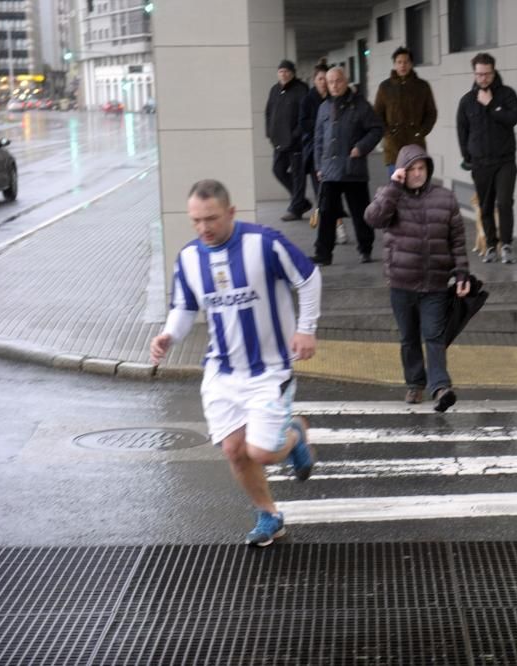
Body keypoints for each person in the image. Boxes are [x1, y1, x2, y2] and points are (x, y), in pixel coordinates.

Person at [149, 179, 321, 546]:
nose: (203, 228)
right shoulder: (190, 258)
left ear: (231, 212)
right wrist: (168, 335)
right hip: (222, 370)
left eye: (211, 218)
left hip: (270, 369)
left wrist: (306, 330)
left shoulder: (264, 244)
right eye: (196, 220)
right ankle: (270, 515)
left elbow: (309, 278)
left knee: (262, 452)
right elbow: (184, 307)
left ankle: (295, 434)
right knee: (233, 450)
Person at [365, 144, 470, 412]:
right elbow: (373, 218)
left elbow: (457, 239)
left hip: (435, 282)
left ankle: (440, 387)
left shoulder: (445, 198)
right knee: (409, 337)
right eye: (411, 169)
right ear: (402, 171)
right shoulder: (389, 195)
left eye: (421, 168)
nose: (417, 174)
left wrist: (461, 272)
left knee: (434, 335)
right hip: (401, 282)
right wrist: (393, 187)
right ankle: (415, 383)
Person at [456, 52, 517, 265]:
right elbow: (462, 131)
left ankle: (507, 245)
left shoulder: (507, 95)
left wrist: (492, 104)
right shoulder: (467, 101)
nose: (483, 78)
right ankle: (491, 246)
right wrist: (467, 157)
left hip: (505, 160)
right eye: (479, 74)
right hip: (480, 162)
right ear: (474, 73)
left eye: (487, 74)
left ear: (493, 72)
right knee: (485, 206)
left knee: (504, 202)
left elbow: (513, 118)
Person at [313, 66, 383, 265]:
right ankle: (323, 253)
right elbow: (318, 139)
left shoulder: (361, 105)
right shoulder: (323, 107)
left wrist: (361, 148)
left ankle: (365, 249)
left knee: (361, 213)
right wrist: (319, 166)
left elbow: (377, 129)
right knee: (326, 213)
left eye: (338, 81)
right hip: (329, 171)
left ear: (346, 81)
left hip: (354, 169)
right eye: (330, 81)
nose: (334, 85)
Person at [298, 58, 348, 245]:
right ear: (315, 80)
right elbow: (303, 123)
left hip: (338, 155)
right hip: (316, 155)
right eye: (320, 79)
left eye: (325, 79)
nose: (324, 83)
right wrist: (321, 127)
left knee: (333, 195)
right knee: (324, 194)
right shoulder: (308, 100)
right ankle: (333, 229)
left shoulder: (334, 100)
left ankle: (336, 226)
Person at [373, 46, 438, 179]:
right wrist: (387, 133)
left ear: (411, 64)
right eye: (399, 62)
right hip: (393, 146)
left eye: (406, 62)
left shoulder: (422, 86)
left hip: (415, 142)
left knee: (417, 184)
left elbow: (431, 112)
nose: (403, 65)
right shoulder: (385, 87)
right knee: (396, 187)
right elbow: (377, 114)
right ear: (394, 64)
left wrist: (421, 132)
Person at [265, 59, 312, 222]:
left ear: (292, 73)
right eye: (280, 71)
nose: (283, 74)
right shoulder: (274, 90)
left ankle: (296, 208)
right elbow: (268, 113)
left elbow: (304, 116)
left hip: (296, 142)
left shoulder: (301, 89)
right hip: (279, 141)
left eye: (286, 71)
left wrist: (296, 134)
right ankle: (301, 201)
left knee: (299, 175)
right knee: (278, 170)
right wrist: (269, 132)